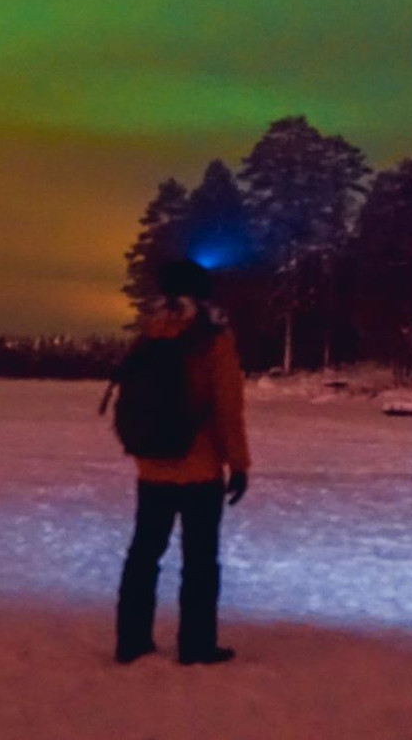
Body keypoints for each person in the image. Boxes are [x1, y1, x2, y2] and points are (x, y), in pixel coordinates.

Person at [108, 258, 251, 666]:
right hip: (199, 468)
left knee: (144, 553)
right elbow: (227, 407)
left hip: (152, 467)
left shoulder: (150, 333)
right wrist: (239, 464)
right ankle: (196, 644)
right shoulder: (214, 339)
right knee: (200, 560)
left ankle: (132, 641)